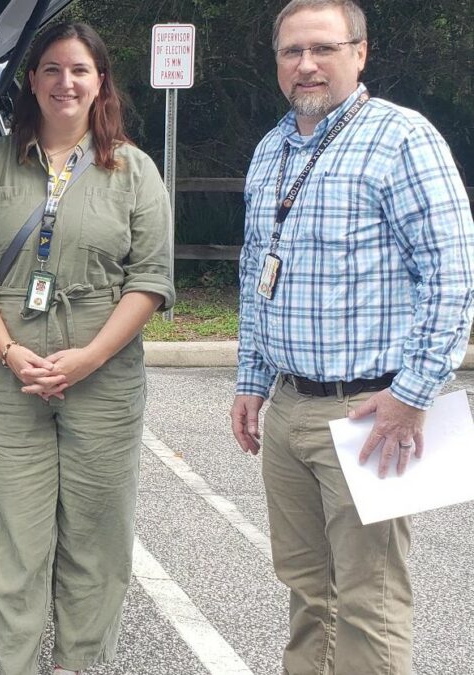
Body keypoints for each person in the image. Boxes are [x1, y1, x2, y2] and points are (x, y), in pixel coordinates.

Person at [230, 1, 474, 673]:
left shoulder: (403, 138)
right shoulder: (272, 149)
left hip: (370, 412)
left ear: (360, 53)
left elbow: (452, 276)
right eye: (290, 51)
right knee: (307, 593)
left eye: (323, 48)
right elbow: (257, 273)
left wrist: (413, 394)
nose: (306, 64)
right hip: (289, 410)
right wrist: (251, 382)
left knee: (369, 599)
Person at [0, 22, 174, 675]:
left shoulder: (133, 170)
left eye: (79, 69)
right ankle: (18, 663)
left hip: (103, 367)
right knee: (17, 535)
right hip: (8, 364)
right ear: (32, 80)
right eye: (51, 68)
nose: (65, 82)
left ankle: (79, 661)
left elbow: (151, 279)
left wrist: (90, 357)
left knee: (97, 533)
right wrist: (12, 351)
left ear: (100, 80)